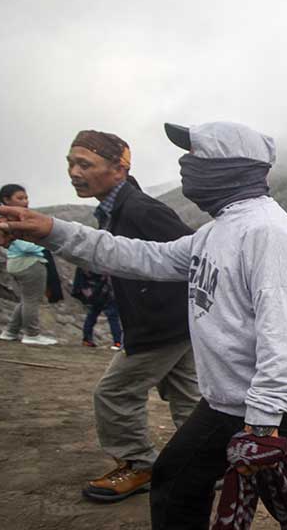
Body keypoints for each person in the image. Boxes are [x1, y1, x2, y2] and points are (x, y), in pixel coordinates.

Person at [0, 121, 287, 530]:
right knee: (178, 476)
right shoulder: (219, 231)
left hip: (277, 405)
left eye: (195, 158)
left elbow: (285, 335)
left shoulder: (269, 235)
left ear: (228, 168)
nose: (184, 168)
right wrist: (56, 232)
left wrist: (262, 425)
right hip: (230, 399)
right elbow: (142, 257)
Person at [58, 131, 202, 503]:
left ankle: (140, 464)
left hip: (160, 325)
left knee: (115, 394)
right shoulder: (118, 208)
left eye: (85, 164)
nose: (74, 172)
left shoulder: (140, 210)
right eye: (71, 163)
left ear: (119, 168)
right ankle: (206, 465)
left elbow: (191, 257)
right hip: (175, 322)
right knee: (188, 396)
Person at [0, 184, 58, 345]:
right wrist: (44, 243)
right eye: (20, 198)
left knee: (26, 299)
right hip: (29, 262)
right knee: (32, 300)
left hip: (16, 263)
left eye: (26, 198)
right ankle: (32, 334)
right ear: (6, 200)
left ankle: (10, 331)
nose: (25, 201)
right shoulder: (7, 221)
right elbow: (22, 244)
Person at [72, 267, 122, 349]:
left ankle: (87, 340)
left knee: (92, 316)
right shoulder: (105, 261)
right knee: (112, 317)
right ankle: (117, 342)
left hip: (95, 293)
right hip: (106, 293)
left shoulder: (86, 261)